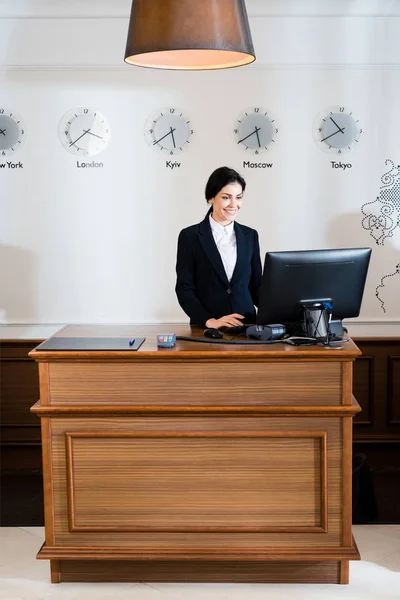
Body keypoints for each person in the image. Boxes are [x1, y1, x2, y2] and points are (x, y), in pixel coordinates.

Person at [175, 166, 262, 328]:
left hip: (247, 327)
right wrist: (209, 321)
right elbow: (184, 288)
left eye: (239, 197)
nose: (234, 204)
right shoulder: (190, 236)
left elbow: (256, 286)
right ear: (211, 198)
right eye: (226, 197)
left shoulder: (250, 236)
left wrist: (285, 310)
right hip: (207, 328)